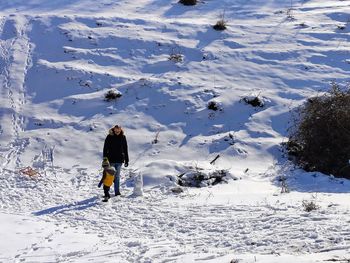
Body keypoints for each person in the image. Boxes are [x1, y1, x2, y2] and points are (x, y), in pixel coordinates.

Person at [103, 125, 129, 196]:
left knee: (117, 177)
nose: (117, 131)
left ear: (121, 130)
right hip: (110, 160)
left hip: (119, 160)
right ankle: (106, 192)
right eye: (116, 130)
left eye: (119, 130)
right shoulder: (109, 137)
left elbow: (125, 149)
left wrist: (127, 160)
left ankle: (117, 192)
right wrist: (105, 159)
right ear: (114, 130)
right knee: (109, 176)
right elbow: (105, 148)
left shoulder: (123, 137)